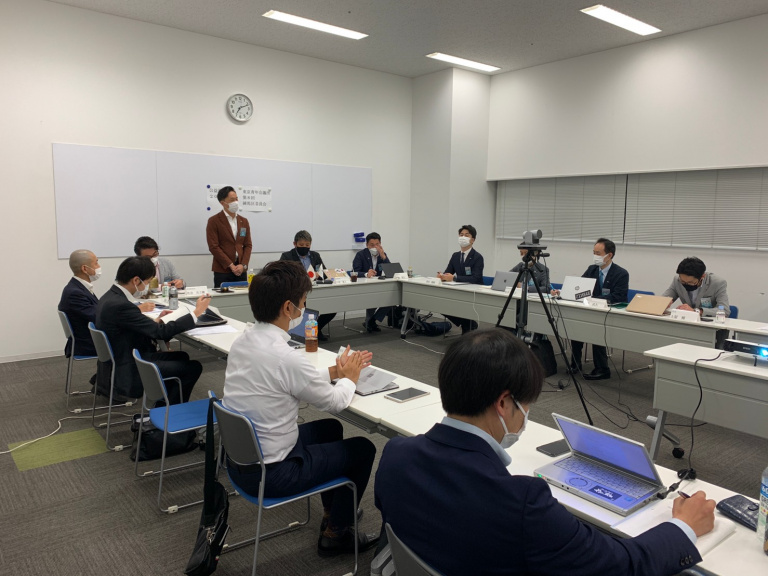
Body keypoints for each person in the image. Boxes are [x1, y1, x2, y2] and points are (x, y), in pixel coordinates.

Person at [375, 328, 716, 576]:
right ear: (504, 403)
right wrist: (683, 526)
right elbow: (623, 566)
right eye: (526, 405)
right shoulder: (523, 502)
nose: (526, 415)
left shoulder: (395, 454)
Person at [222, 260, 379, 556]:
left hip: (242, 462)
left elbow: (287, 378)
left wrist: (335, 372)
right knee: (363, 449)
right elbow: (335, 402)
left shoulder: (245, 340)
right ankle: (336, 535)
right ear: (287, 308)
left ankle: (334, 513)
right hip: (273, 474)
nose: (304, 309)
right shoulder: (285, 357)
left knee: (330, 429)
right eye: (303, 302)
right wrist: (350, 378)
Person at [95, 256, 209, 403]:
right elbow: (160, 332)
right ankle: (168, 410)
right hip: (130, 364)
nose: (147, 286)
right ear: (136, 280)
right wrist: (196, 313)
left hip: (122, 356)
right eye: (148, 282)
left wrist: (157, 320)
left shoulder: (110, 296)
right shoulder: (121, 305)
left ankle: (165, 404)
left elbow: (129, 326)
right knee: (193, 367)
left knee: (182, 357)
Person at [554, 238, 629, 380]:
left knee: (596, 330)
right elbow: (579, 286)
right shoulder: (592, 269)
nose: (595, 256)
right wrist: (563, 292)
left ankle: (602, 369)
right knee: (577, 327)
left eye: (598, 253)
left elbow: (618, 296)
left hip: (609, 312)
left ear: (609, 255)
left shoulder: (621, 273)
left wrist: (593, 299)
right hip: (590, 310)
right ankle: (575, 364)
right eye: (594, 252)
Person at [280, 230, 336, 339]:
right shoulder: (287, 256)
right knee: (300, 310)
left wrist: (319, 274)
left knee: (332, 307)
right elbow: (282, 275)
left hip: (316, 290)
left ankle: (316, 329)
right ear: (295, 244)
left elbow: (324, 273)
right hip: (296, 291)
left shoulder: (315, 255)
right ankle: (299, 335)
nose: (304, 247)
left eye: (307, 245)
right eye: (301, 245)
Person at [438, 225, 484, 334]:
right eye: (461, 235)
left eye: (466, 235)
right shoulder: (455, 256)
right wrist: (442, 276)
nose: (463, 237)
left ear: (472, 240)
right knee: (440, 304)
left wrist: (454, 278)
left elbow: (476, 278)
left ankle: (467, 325)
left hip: (473, 291)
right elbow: (448, 272)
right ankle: (467, 323)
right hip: (458, 289)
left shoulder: (477, 257)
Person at [206, 186, 252, 288]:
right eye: (232, 200)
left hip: (241, 270)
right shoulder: (214, 221)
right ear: (223, 203)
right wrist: (230, 265)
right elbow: (213, 246)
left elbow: (248, 245)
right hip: (223, 270)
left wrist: (243, 265)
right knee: (223, 296)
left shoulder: (244, 221)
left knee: (241, 296)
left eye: (236, 199)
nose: (236, 202)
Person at [58, 249, 101, 358]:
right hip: (87, 344)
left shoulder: (78, 287)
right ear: (85, 269)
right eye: (96, 263)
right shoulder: (75, 293)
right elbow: (98, 318)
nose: (99, 266)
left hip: (88, 338)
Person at [662, 257, 730, 318]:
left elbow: (725, 310)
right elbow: (663, 299)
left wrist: (697, 311)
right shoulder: (677, 280)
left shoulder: (717, 283)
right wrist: (663, 304)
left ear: (702, 277)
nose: (686, 284)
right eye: (683, 282)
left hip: (709, 323)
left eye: (691, 282)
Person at [352, 232, 392, 333]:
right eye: (372, 245)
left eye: (377, 244)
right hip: (364, 285)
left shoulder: (382, 255)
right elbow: (355, 271)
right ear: (367, 245)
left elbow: (391, 272)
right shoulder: (361, 255)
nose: (375, 247)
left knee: (391, 299)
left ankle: (372, 320)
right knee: (372, 299)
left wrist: (383, 256)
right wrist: (366, 274)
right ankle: (370, 322)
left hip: (378, 284)